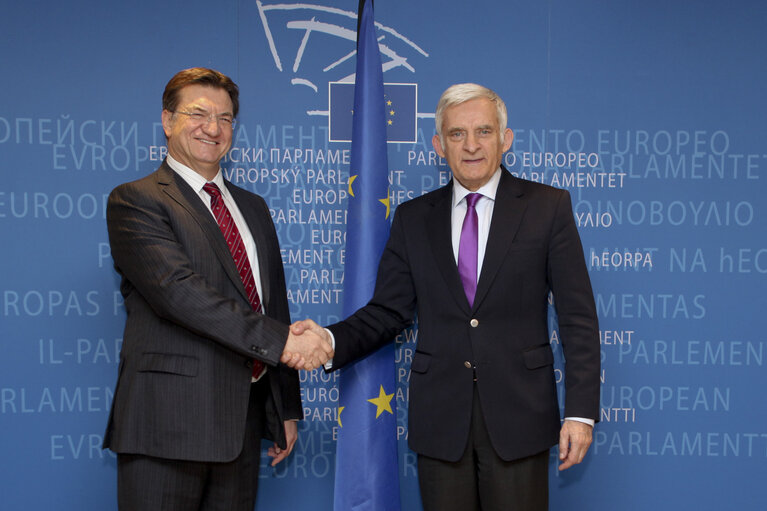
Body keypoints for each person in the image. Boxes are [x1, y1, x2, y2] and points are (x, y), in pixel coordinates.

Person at [288, 83, 600, 510]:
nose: (471, 145)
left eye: (484, 132)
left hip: (519, 418)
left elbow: (578, 319)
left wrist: (580, 413)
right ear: (438, 145)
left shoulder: (548, 207)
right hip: (440, 423)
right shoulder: (414, 218)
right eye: (457, 134)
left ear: (505, 140)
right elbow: (387, 312)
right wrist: (329, 339)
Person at [103, 67, 332, 511]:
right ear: (167, 121)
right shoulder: (136, 200)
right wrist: (286, 342)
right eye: (198, 114)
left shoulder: (252, 206)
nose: (213, 128)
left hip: (240, 426)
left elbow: (272, 304)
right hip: (165, 428)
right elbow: (178, 292)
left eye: (225, 118)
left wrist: (285, 406)